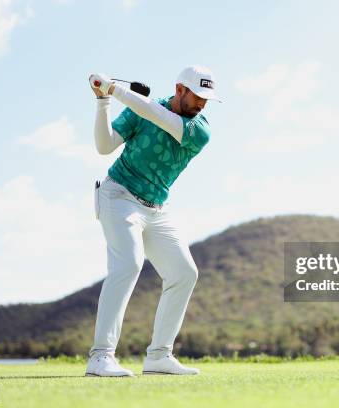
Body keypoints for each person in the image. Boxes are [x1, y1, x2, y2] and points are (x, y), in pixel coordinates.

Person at [85, 66, 220, 377]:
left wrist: (116, 91)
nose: (202, 104)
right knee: (128, 265)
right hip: (117, 196)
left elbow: (159, 116)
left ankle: (159, 356)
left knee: (184, 273)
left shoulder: (200, 130)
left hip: (156, 208)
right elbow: (104, 146)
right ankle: (100, 357)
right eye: (197, 96)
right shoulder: (140, 107)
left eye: (207, 99)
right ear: (180, 89)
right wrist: (103, 101)